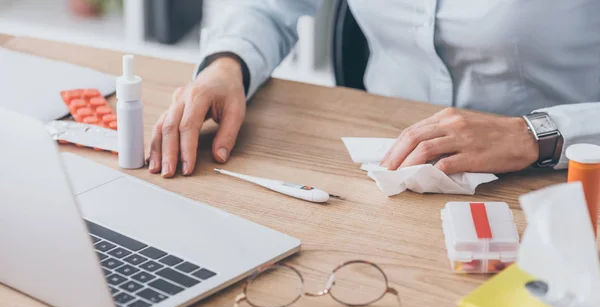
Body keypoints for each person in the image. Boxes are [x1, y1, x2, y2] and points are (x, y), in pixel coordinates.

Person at [147, 0, 600, 179]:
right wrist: (228, 65)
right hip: (381, 169)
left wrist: (534, 133)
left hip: (556, 184)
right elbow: (269, 6)